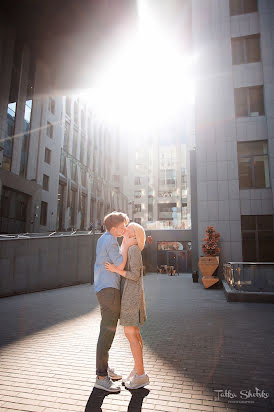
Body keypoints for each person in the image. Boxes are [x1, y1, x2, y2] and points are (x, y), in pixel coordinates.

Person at [94, 211, 137, 393]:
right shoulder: (111, 240)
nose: (124, 229)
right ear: (113, 228)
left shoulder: (103, 239)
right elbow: (120, 264)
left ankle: (104, 368)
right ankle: (102, 376)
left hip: (103, 288)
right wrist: (126, 245)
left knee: (107, 328)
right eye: (122, 227)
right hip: (109, 290)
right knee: (108, 330)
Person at [105, 222, 149, 390]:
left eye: (129, 227)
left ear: (134, 233)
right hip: (131, 295)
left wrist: (116, 271)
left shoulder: (134, 249)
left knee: (131, 334)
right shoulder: (129, 246)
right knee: (134, 334)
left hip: (131, 297)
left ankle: (141, 375)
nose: (125, 228)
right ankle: (138, 370)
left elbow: (135, 275)